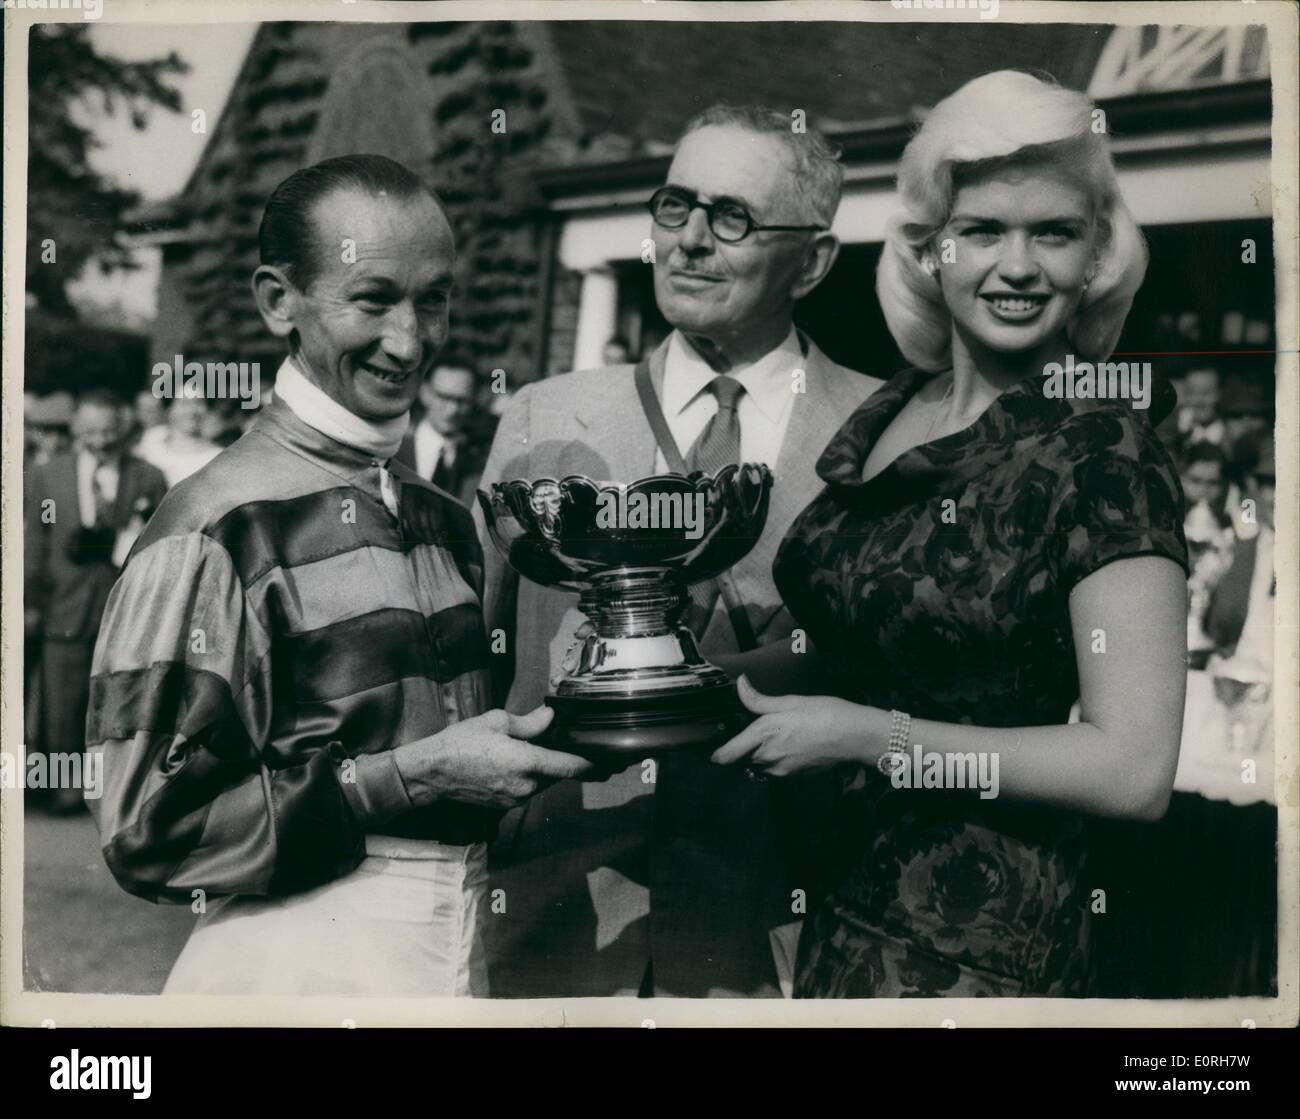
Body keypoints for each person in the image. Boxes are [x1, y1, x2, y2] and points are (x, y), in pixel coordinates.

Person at [710, 71, 1189, 997]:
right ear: (930, 249)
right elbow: (857, 646)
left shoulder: (1102, 444)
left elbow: (1134, 767)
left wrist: (866, 739)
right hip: (831, 918)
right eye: (982, 231)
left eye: (1054, 232)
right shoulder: (895, 409)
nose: (1018, 266)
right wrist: (662, 686)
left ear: (1097, 258)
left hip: (978, 959)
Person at [85, 155, 592, 997]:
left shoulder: (443, 515)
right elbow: (147, 829)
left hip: (463, 959)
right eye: (374, 299)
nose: (411, 338)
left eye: (433, 297)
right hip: (291, 971)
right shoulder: (213, 523)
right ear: (277, 299)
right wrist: (413, 774)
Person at [477, 104, 882, 997]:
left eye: (731, 216)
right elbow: (480, 660)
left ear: (813, 261)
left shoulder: (885, 433)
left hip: (784, 922)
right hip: (562, 915)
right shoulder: (544, 416)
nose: (691, 240)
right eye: (674, 207)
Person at [25, 389, 166, 813]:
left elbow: (158, 543)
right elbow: (36, 539)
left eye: (109, 432)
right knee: (62, 699)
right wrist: (31, 600)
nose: (101, 441)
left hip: (123, 606)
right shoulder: (48, 476)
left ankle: (114, 790)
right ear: (75, 430)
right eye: (91, 432)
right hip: (63, 603)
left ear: (123, 430)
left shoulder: (148, 477)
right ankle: (65, 787)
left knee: (118, 698)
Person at [394, 356, 493, 505]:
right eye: (444, 397)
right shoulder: (392, 450)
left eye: (462, 401)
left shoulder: (479, 462)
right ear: (424, 393)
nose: (453, 410)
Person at [136, 395, 223, 486]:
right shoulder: (152, 439)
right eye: (185, 403)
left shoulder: (216, 456)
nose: (192, 410)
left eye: (199, 402)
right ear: (169, 408)